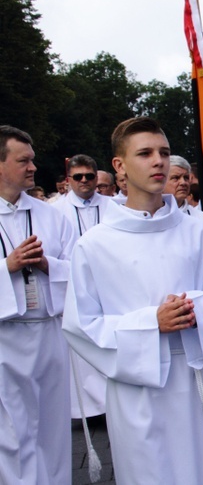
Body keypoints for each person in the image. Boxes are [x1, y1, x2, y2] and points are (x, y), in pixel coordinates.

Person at [62, 117, 203, 484]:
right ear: (120, 166)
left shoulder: (197, 230)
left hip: (192, 374)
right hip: (136, 385)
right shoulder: (95, 245)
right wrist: (149, 323)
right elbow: (81, 326)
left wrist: (195, 309)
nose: (159, 161)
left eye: (164, 152)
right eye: (145, 153)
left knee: (198, 470)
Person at [0, 125, 74, 483]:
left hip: (48, 331)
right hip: (6, 337)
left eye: (32, 160)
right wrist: (8, 267)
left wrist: (48, 265)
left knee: (53, 426)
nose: (33, 167)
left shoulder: (52, 214)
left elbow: (78, 271)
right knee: (13, 432)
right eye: (23, 160)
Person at [55, 154, 115, 420]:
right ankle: (91, 408)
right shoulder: (56, 210)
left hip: (111, 285)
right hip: (75, 285)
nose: (84, 181)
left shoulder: (115, 205)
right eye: (77, 177)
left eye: (89, 176)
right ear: (68, 180)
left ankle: (112, 402)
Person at [164, 155, 203, 227]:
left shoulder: (201, 218)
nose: (183, 182)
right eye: (176, 178)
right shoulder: (151, 217)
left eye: (186, 178)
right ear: (161, 182)